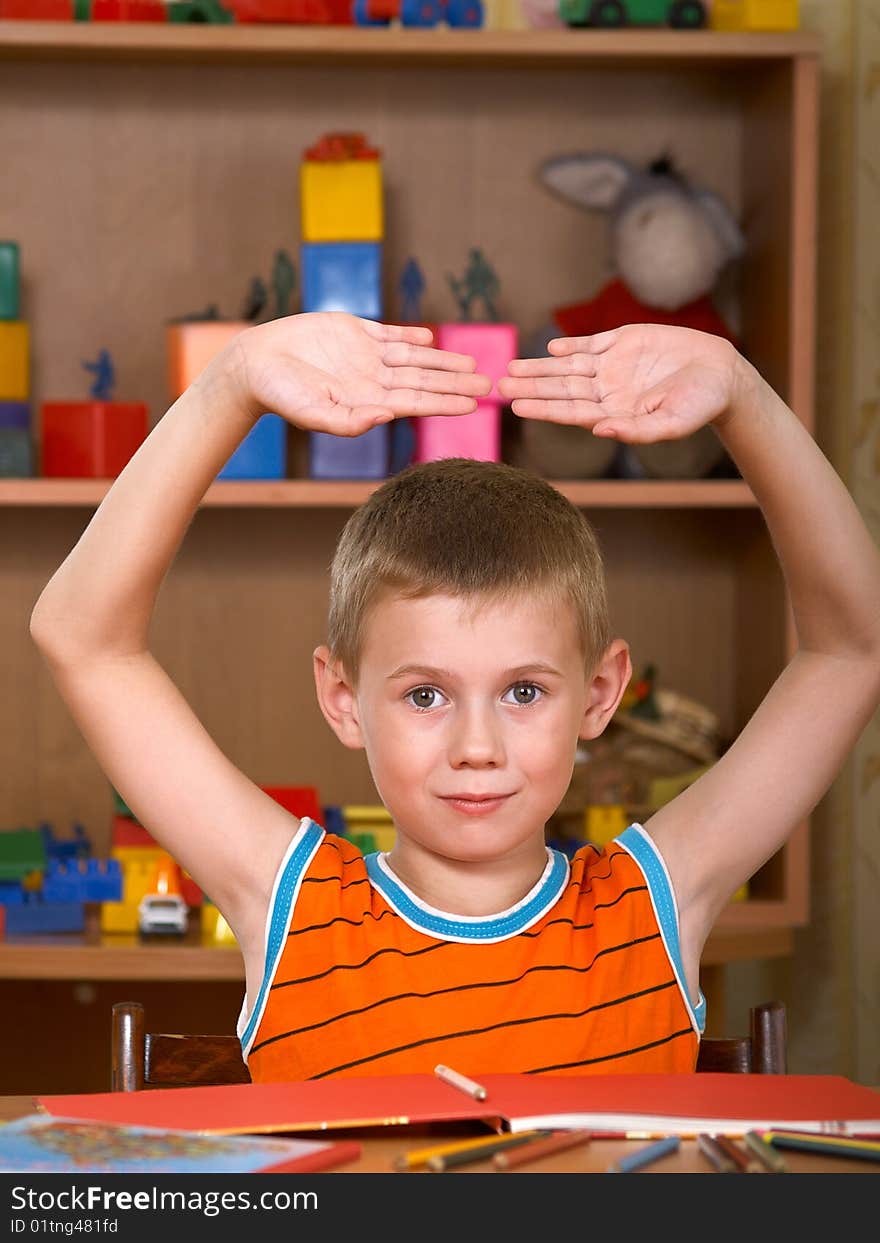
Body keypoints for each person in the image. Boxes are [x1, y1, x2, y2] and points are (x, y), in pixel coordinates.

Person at [30, 315, 880, 1083]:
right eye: (427, 694)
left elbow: (851, 649)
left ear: (599, 694)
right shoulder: (290, 904)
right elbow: (82, 635)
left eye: (522, 691)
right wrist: (232, 380)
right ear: (343, 697)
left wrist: (742, 395)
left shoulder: (653, 904)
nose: (478, 745)